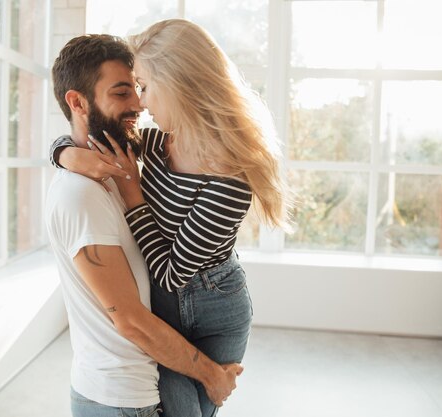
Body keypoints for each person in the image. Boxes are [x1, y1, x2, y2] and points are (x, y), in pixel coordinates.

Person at [50, 19, 291, 417]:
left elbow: (168, 273)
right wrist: (65, 155)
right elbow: (85, 133)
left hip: (212, 307)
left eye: (144, 86)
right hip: (165, 307)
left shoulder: (230, 178)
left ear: (179, 85)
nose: (141, 103)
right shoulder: (160, 144)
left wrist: (132, 195)